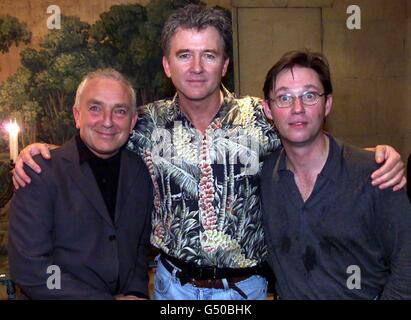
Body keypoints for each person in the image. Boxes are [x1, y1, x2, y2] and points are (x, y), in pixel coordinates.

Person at [12, 5, 406, 300]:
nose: (197, 67)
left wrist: (376, 156)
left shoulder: (260, 117)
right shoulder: (143, 123)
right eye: (185, 54)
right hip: (171, 288)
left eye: (209, 55)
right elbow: (99, 133)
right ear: (168, 65)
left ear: (225, 65)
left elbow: (307, 131)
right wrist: (41, 149)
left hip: (245, 290)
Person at [261, 50, 411, 299]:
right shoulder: (265, 175)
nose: (297, 108)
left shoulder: (376, 175)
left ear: (327, 103)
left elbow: (407, 263)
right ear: (268, 109)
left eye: (309, 96)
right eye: (284, 97)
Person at [8, 69, 153, 299]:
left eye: (120, 111)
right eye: (95, 108)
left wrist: (136, 292)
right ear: (77, 115)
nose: (107, 121)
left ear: (132, 121)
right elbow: (33, 268)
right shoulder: (40, 172)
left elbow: (138, 252)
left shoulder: (140, 172)